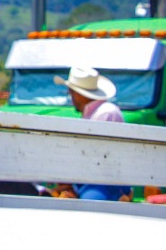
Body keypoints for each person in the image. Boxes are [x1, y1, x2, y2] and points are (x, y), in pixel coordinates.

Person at [52, 66, 132, 201]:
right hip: (93, 179)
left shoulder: (106, 113)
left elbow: (99, 157)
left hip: (106, 181)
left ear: (77, 93)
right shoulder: (96, 113)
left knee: (89, 204)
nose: (71, 97)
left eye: (71, 92)